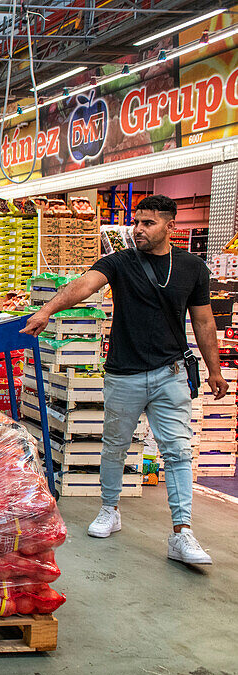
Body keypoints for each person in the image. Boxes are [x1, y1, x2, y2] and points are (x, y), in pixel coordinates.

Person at [22, 194, 227, 566]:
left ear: (171, 226)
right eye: (137, 222)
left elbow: (204, 319)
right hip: (123, 373)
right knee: (114, 446)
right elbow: (84, 285)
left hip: (171, 373)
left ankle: (182, 533)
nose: (139, 230)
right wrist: (47, 310)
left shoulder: (191, 267)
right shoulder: (120, 261)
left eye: (148, 223)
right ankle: (110, 509)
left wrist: (214, 369)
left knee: (178, 452)